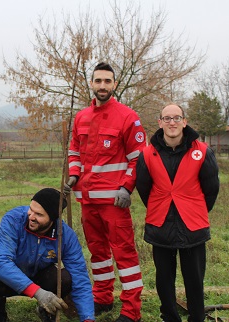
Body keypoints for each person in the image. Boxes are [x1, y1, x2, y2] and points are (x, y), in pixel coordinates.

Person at [64, 62, 145, 322]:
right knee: (98, 254)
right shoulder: (81, 117)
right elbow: (74, 151)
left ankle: (132, 311)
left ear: (115, 85)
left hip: (114, 202)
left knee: (125, 254)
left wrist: (126, 187)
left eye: (107, 81)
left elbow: (138, 159)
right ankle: (102, 298)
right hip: (87, 200)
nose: (102, 86)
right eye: (98, 81)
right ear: (91, 83)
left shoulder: (128, 117)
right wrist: (74, 174)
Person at [135, 104, 219, 322]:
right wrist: (161, 206)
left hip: (193, 225)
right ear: (160, 122)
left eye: (176, 117)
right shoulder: (146, 154)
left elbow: (211, 189)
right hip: (160, 224)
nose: (172, 122)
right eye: (167, 118)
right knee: (164, 279)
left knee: (194, 279)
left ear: (184, 121)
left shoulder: (202, 151)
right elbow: (144, 189)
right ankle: (170, 317)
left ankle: (197, 318)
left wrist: (193, 208)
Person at [0, 188, 95, 322]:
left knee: (65, 278)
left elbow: (80, 278)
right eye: (31, 209)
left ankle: (46, 311)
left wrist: (88, 318)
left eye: (39, 214)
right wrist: (38, 293)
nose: (31, 216)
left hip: (39, 274)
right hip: (8, 277)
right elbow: (2, 262)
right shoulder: (13, 219)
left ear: (52, 218)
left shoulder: (65, 236)